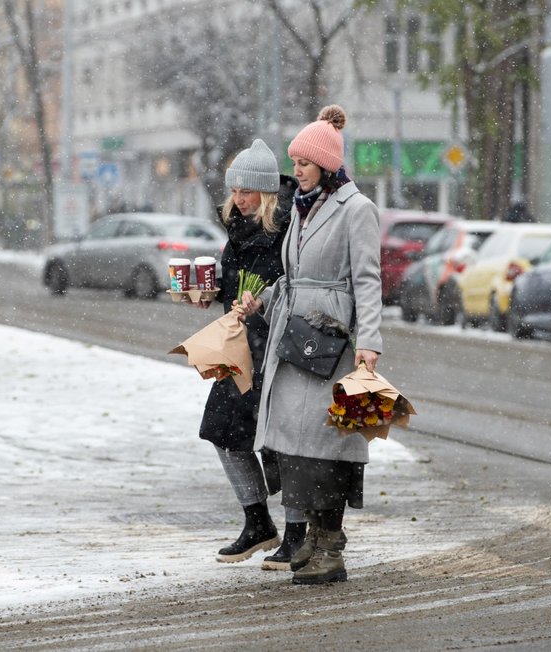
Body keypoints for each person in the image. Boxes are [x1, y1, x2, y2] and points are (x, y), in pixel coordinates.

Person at [236, 105, 383, 585]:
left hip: (333, 342)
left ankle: (330, 547)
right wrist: (265, 299)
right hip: (294, 339)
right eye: (294, 162)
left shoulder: (356, 209)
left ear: (327, 165)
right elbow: (296, 276)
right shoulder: (299, 208)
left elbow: (368, 280)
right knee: (295, 447)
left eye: (303, 163)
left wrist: (370, 343)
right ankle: (309, 541)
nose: (294, 170)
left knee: (330, 445)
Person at [194, 139, 306, 570]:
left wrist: (265, 304)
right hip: (239, 348)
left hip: (277, 350)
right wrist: (212, 291)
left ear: (266, 194)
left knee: (280, 442)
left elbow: (290, 287)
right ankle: (257, 521)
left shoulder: (287, 230)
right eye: (235, 191)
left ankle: (298, 532)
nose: (238, 200)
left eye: (247, 192)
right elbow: (240, 284)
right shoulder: (237, 231)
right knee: (222, 431)